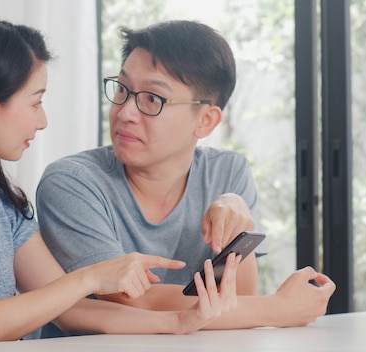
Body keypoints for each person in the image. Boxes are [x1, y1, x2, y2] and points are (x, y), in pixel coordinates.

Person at [0, 16, 243, 351]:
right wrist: (90, 276)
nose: (43, 120)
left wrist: (179, 321)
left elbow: (70, 312)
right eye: (35, 102)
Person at [36, 20, 336, 329]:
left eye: (152, 98)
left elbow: (241, 299)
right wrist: (278, 309)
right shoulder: (71, 183)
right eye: (123, 90)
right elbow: (134, 299)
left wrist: (238, 221)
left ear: (205, 120)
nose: (125, 113)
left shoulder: (228, 172)